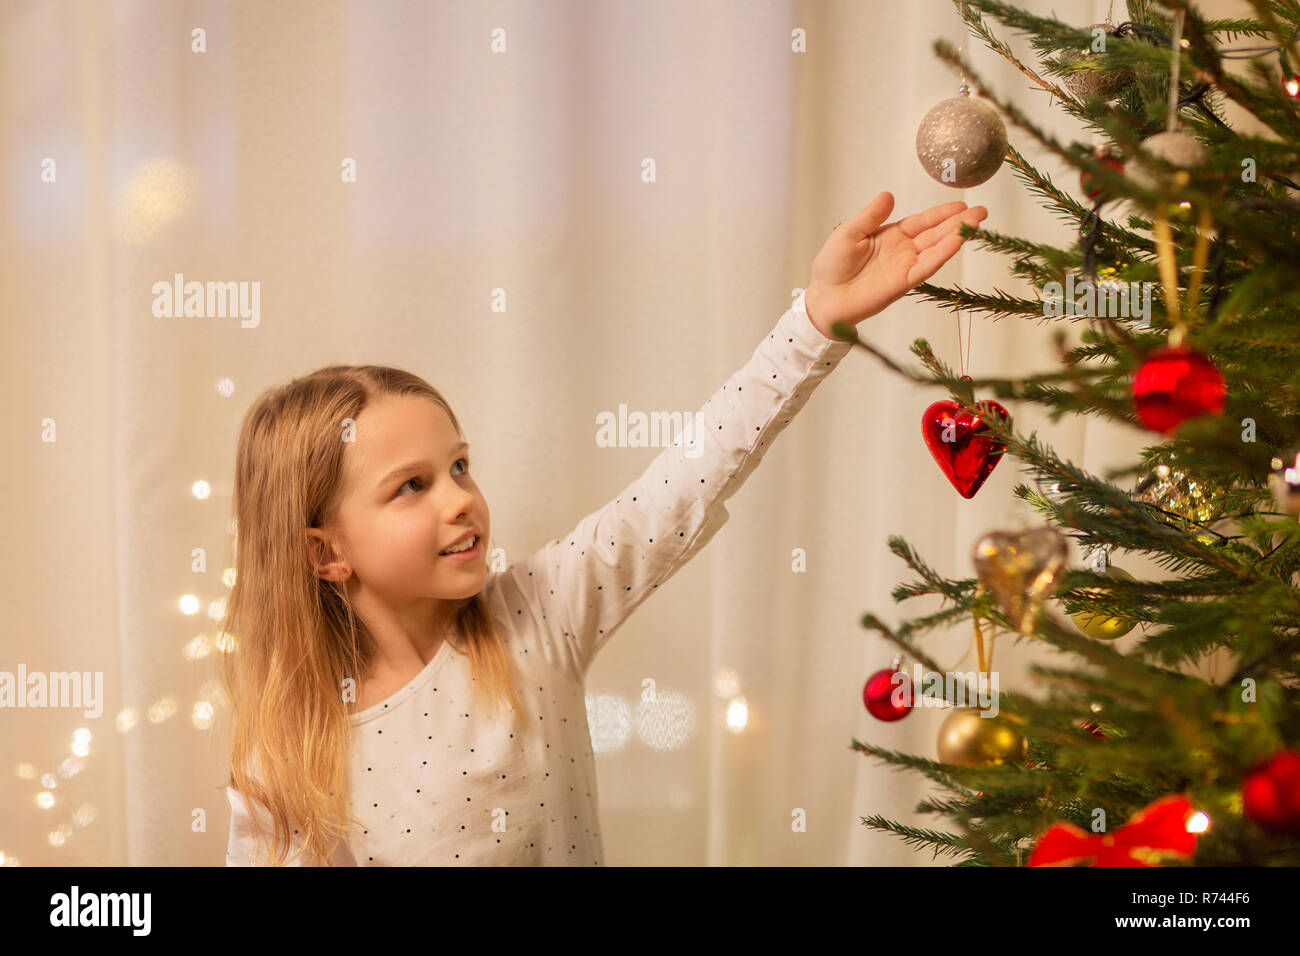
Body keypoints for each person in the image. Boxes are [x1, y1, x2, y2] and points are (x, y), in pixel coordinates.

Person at [220, 192, 988, 865]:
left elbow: (685, 481)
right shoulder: (290, 753)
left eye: (459, 467)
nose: (459, 500)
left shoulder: (534, 614)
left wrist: (816, 320)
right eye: (410, 488)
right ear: (326, 554)